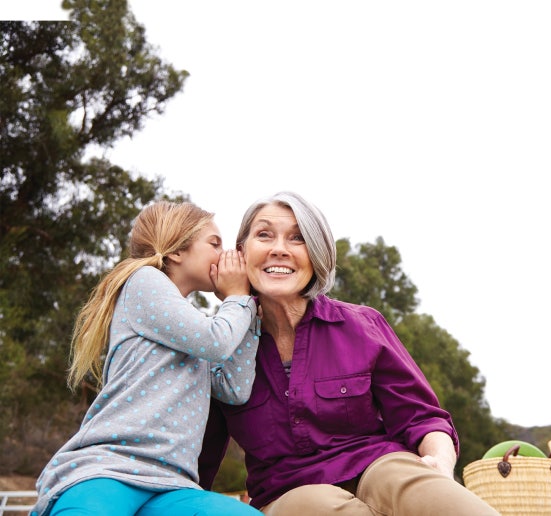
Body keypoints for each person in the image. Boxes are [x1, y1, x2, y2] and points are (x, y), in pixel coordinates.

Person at [198, 191, 499, 515]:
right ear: (241, 253)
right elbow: (197, 458)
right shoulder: (218, 344)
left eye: (298, 238)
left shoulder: (361, 325)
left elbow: (422, 417)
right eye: (264, 235)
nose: (279, 249)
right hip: (288, 491)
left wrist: (439, 462)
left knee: (431, 493)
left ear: (316, 254)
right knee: (318, 506)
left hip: (379, 465)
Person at [31, 201, 264, 516]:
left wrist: (251, 315)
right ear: (176, 252)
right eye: (214, 243)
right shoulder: (144, 282)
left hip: (171, 484)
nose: (225, 255)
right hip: (110, 470)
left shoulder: (190, 329)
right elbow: (216, 342)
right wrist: (238, 298)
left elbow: (233, 389)